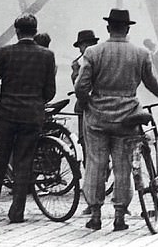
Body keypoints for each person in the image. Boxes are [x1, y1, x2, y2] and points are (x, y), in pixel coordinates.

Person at [74, 8, 158, 232]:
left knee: (95, 165)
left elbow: (81, 87)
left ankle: (96, 215)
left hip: (97, 118)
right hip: (128, 118)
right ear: (128, 28)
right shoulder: (141, 53)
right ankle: (120, 216)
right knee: (123, 169)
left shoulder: (93, 52)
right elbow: (154, 84)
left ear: (109, 28)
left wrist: (89, 102)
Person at [0, 13, 57, 223]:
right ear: (35, 31)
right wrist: (36, 101)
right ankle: (17, 212)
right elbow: (50, 92)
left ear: (17, 31)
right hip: (32, 116)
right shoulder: (47, 55)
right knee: (24, 163)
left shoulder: (5, 53)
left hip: (7, 116)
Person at [70, 29, 99, 215]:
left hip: (90, 108)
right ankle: (92, 192)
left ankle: (93, 197)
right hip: (87, 109)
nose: (85, 47)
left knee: (92, 152)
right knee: (86, 148)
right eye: (83, 45)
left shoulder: (94, 59)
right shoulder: (77, 63)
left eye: (87, 44)